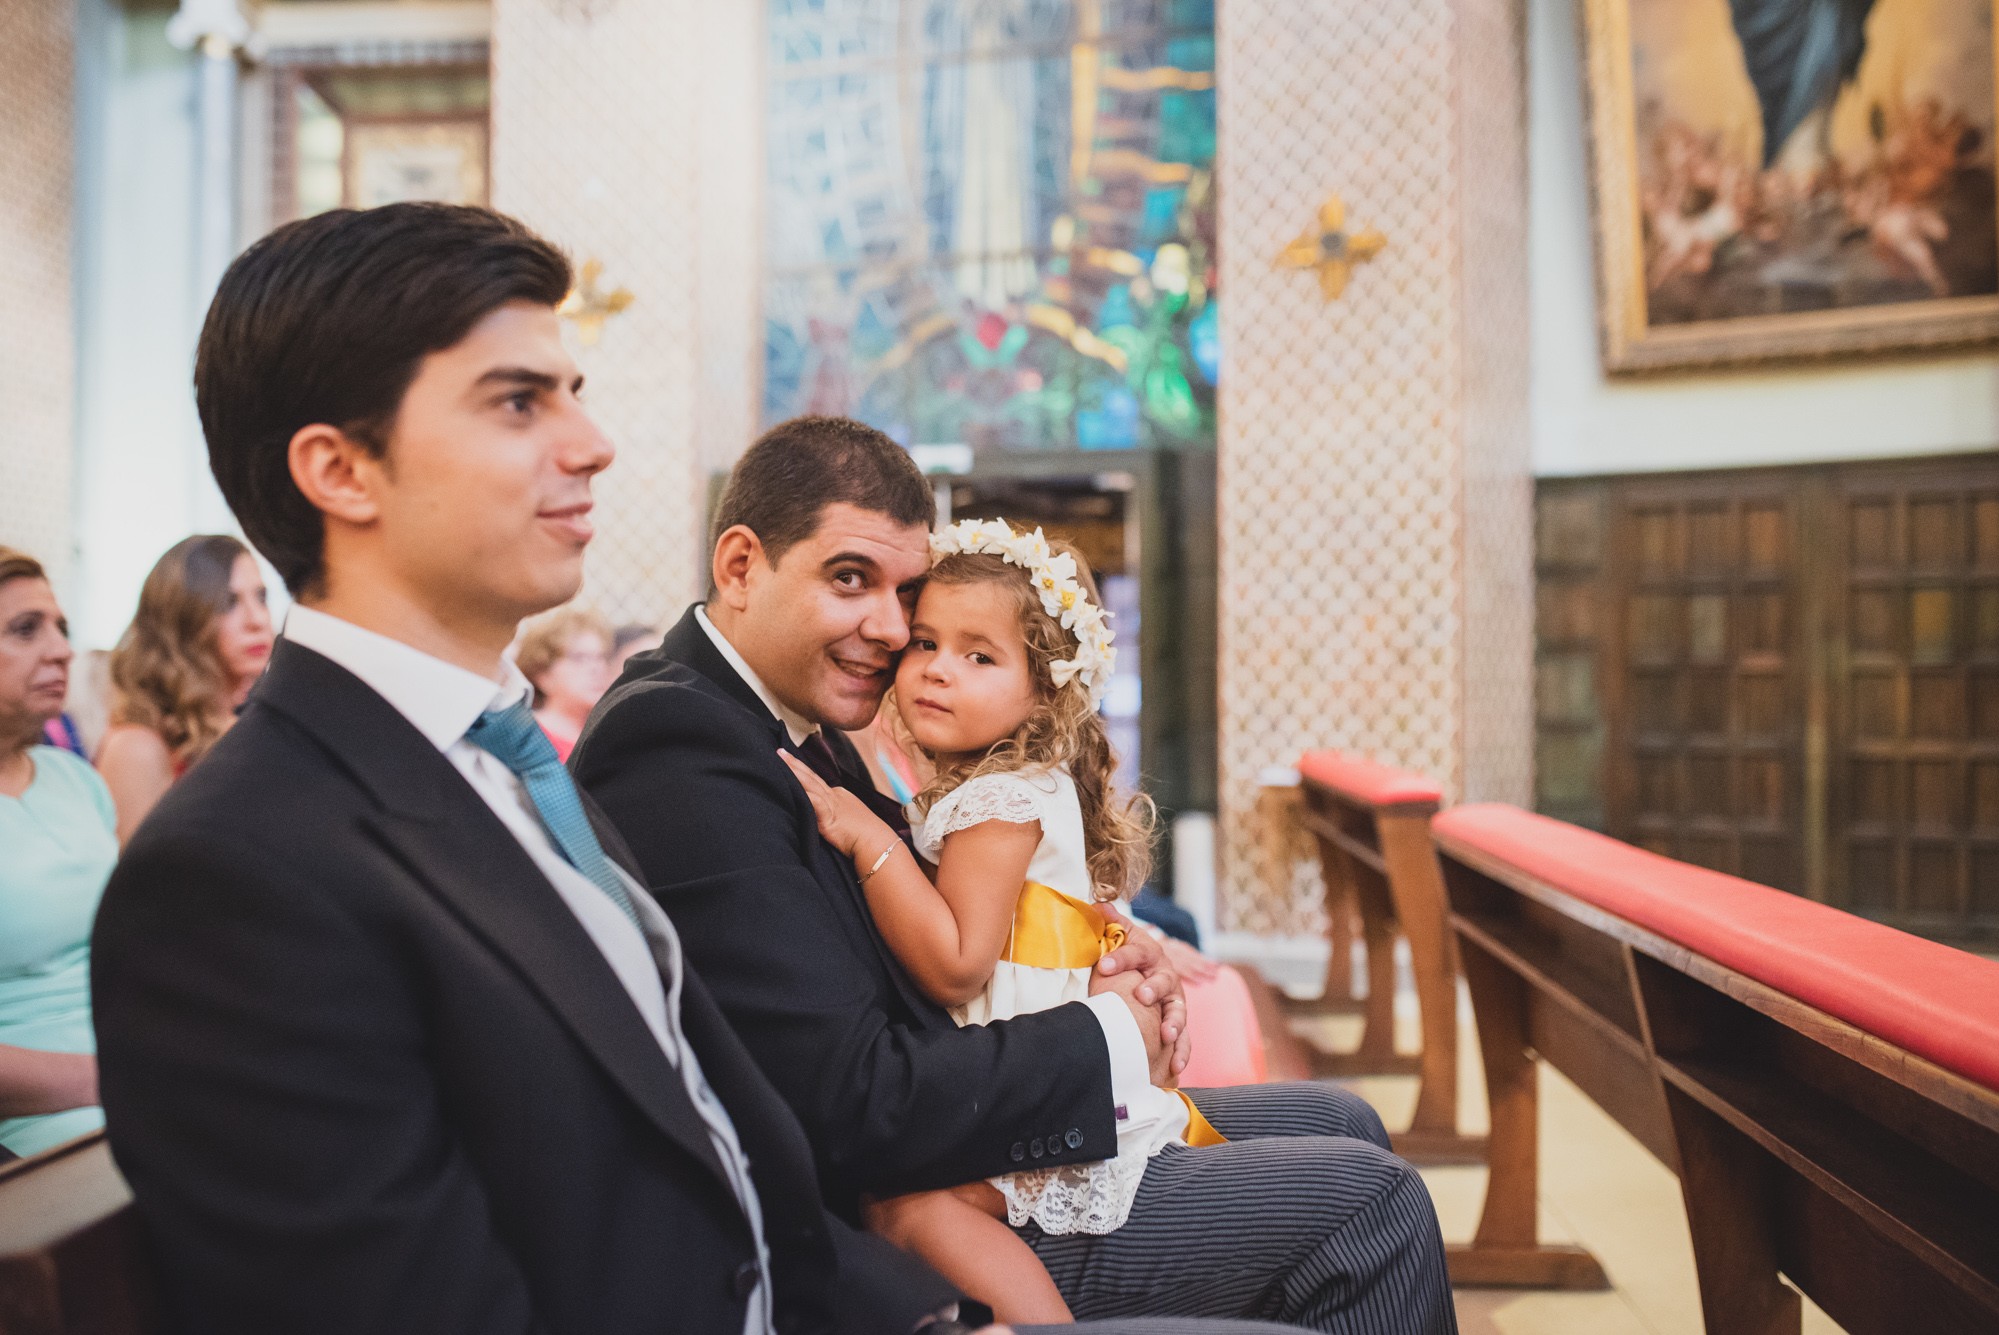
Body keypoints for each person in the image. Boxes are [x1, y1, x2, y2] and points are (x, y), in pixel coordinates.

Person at [88, 203, 1300, 1335]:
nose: (593, 444)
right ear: (339, 471)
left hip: (855, 1287)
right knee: (1356, 1215)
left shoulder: (511, 764)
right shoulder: (239, 867)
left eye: (572, 393)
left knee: (1346, 1177)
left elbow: (734, 1134)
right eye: (518, 404)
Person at [572, 416, 1458, 1334]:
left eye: (905, 591)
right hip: (881, 1214)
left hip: (952, 1105)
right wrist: (1113, 1039)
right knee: (1370, 1205)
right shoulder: (676, 743)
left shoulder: (800, 721)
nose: (889, 628)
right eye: (850, 579)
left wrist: (1113, 946)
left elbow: (947, 895)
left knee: (1341, 1121)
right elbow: (847, 1102)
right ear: (741, 564)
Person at [782, 522, 1226, 1324]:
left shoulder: (997, 800)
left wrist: (868, 838)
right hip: (1044, 1069)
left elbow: (956, 963)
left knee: (913, 1212)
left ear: (1043, 691)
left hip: (1037, 1086)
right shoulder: (1002, 782)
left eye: (979, 656)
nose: (937, 670)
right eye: (925, 643)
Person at [0, 547, 117, 1161]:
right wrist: (110, 1077)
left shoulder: (75, 780)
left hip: (141, 1074)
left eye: (62, 629)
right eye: (26, 629)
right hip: (45, 1128)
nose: (62, 650)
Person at [97, 534, 273, 843]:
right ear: (183, 620)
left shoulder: (258, 720)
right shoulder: (138, 748)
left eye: (261, 598)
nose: (257, 620)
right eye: (229, 603)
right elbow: (139, 886)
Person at [515, 604, 618, 761]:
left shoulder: (608, 734)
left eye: (601, 657)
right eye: (579, 658)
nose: (597, 668)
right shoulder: (525, 736)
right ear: (542, 673)